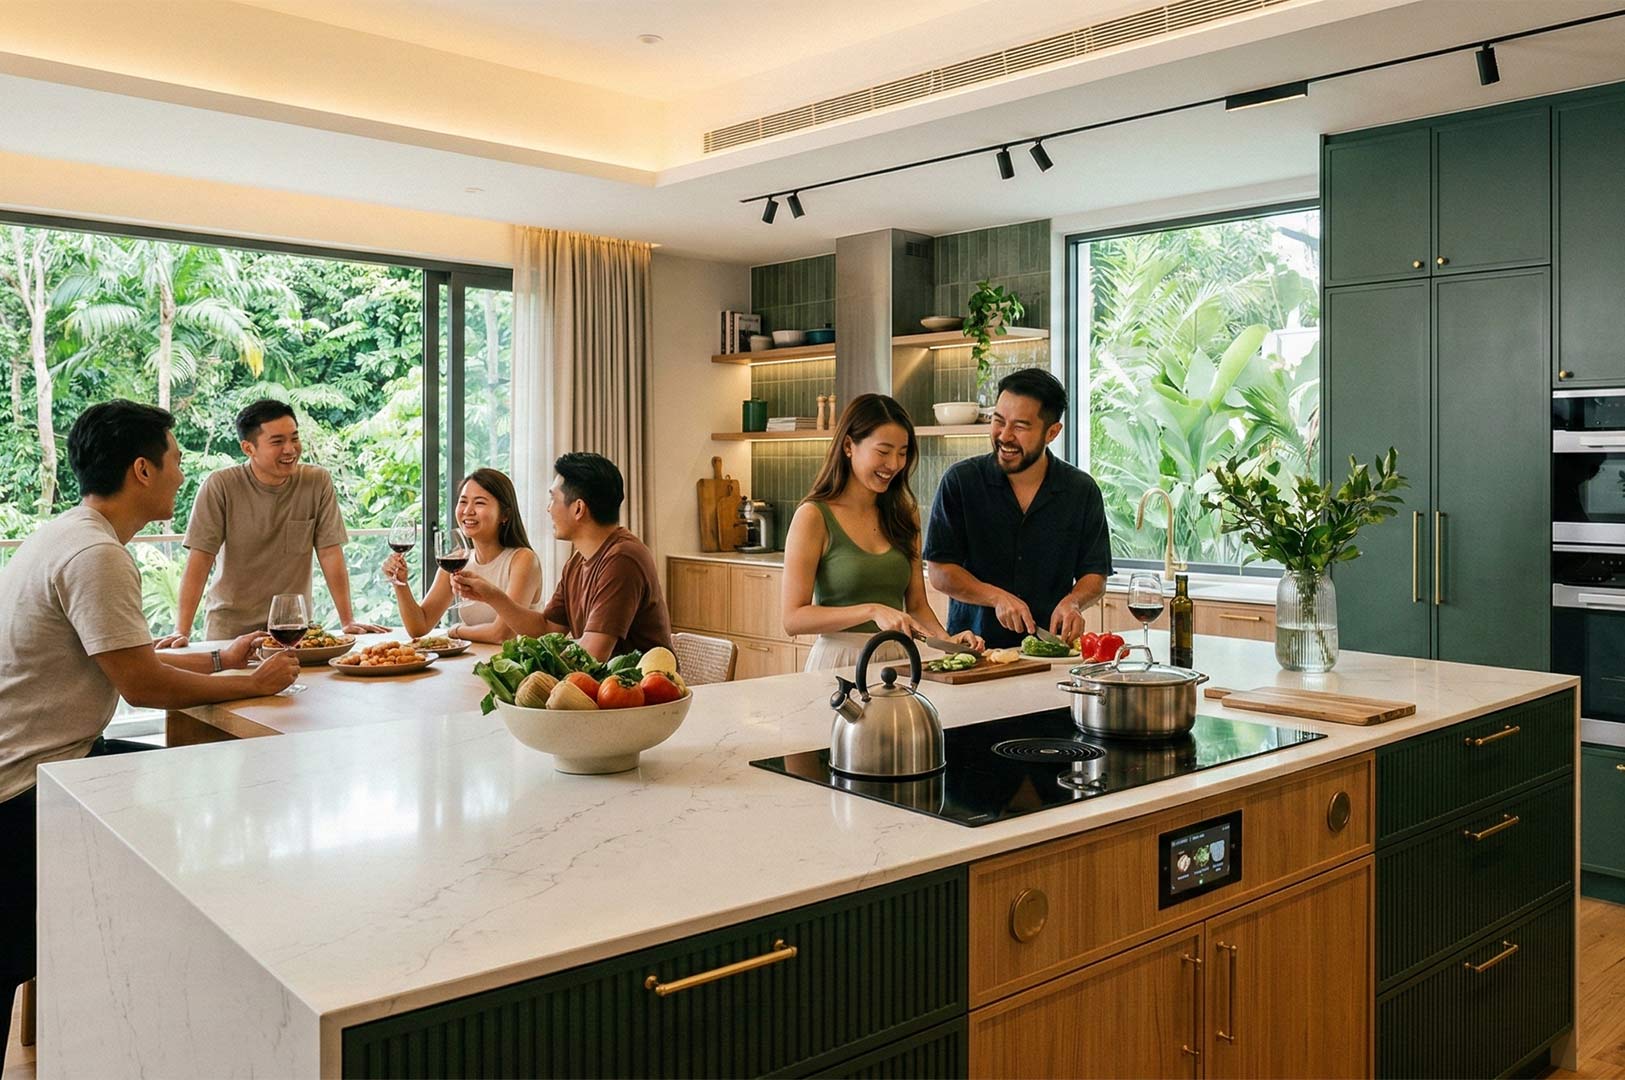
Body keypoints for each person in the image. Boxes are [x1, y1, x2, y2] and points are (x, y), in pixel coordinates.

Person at [0, 401, 299, 1058]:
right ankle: (153, 1005)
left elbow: (124, 657)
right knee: (187, 812)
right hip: (26, 784)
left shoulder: (68, 533)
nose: (181, 470)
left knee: (183, 795)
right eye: (174, 459)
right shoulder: (96, 556)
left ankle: (146, 996)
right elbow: (141, 684)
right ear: (141, 469)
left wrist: (222, 655)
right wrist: (247, 685)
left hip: (47, 758)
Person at [154, 398, 386, 648]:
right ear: (248, 448)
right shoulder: (221, 486)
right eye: (277, 442)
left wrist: (347, 620)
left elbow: (330, 552)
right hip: (230, 631)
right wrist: (182, 630)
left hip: (293, 630)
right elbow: (200, 560)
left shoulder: (317, 481)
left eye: (294, 438)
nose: (290, 449)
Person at [782, 393, 982, 670]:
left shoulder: (904, 514)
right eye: (883, 451)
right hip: (839, 663)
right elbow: (793, 619)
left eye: (902, 453)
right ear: (849, 445)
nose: (894, 464)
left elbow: (916, 606)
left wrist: (948, 642)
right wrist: (873, 610)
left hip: (898, 660)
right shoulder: (813, 516)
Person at [925, 368, 1113, 649]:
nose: (1005, 435)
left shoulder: (1081, 490)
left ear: (1052, 432)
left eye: (1021, 426)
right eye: (998, 421)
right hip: (976, 653)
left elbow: (1094, 574)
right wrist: (995, 597)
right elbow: (940, 572)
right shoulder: (961, 482)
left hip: (1051, 654)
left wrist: (1073, 602)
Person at [456, 452, 672, 660]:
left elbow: (593, 654)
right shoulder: (578, 562)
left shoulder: (623, 559)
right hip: (597, 689)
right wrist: (491, 595)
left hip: (640, 692)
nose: (548, 509)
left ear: (578, 509)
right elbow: (546, 627)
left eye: (553, 499)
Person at [383, 468, 540, 643]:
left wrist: (456, 631)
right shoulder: (457, 560)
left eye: (479, 503)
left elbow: (502, 634)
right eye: (463, 501)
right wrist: (401, 584)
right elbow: (419, 627)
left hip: (516, 665)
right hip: (473, 661)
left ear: (505, 514)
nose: (467, 511)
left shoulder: (523, 559)